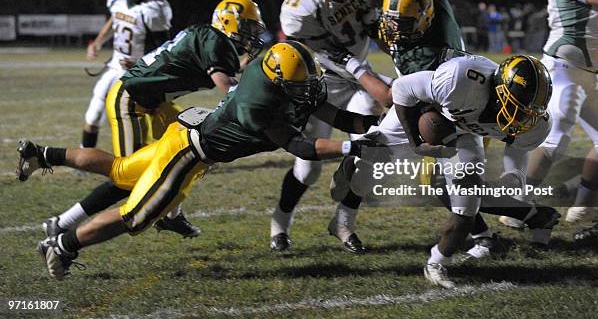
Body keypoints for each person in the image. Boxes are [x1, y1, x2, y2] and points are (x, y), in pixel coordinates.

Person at [17, 41, 383, 279]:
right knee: (138, 215)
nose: (309, 88)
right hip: (190, 152)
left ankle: (43, 155)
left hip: (189, 131)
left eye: (309, 80)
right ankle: (63, 245)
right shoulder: (259, 104)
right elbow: (302, 147)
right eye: (299, 84)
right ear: (277, 83)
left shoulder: (286, 77)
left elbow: (337, 117)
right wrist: (355, 147)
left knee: (120, 170)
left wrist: (380, 125)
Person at [330, 0, 553, 261]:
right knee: (374, 155)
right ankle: (518, 223)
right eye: (392, 22)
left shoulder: (444, 62)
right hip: (435, 102)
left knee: (447, 186)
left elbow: (393, 95)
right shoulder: (406, 34)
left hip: (456, 110)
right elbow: (402, 89)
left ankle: (506, 228)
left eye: (404, 24)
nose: (394, 30)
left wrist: (514, 177)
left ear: (425, 20)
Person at [18, 0, 267, 239]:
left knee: (187, 143)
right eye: (248, 27)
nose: (252, 35)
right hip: (132, 98)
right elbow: (229, 88)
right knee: (128, 175)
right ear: (228, 22)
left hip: (156, 101)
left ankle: (171, 215)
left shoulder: (211, 38)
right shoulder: (216, 41)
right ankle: (58, 209)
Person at [270, 0, 393, 253]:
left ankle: (343, 221)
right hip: (319, 85)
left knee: (373, 148)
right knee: (307, 167)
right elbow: (331, 53)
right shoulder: (300, 9)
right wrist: (367, 76)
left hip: (355, 80)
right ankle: (280, 223)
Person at [390, 54, 557, 287]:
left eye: (529, 112)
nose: (522, 118)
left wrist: (513, 175)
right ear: (499, 90)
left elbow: (517, 146)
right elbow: (401, 88)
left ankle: (436, 262)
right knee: (373, 143)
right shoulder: (459, 80)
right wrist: (415, 141)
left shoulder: (536, 125)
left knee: (465, 206)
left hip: (467, 131)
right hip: (434, 111)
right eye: (516, 107)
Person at [501, 0, 598, 229]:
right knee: (556, 137)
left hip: (594, 75)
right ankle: (516, 207)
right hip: (563, 69)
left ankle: (581, 209)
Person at [81, 0, 172, 152]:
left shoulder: (155, 9)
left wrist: (141, 63)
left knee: (154, 118)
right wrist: (98, 42)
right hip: (115, 66)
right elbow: (114, 20)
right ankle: (84, 157)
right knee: (94, 113)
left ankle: (177, 152)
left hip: (143, 72)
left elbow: (164, 47)